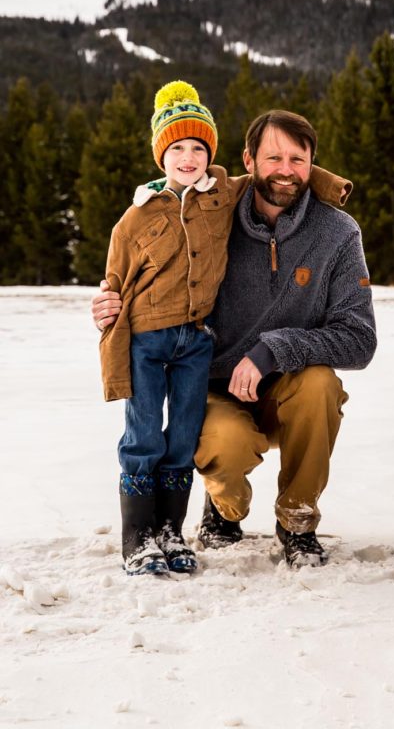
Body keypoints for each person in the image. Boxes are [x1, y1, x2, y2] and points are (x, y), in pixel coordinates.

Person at [94, 107, 376, 569]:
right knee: (222, 442)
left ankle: (297, 523)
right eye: (273, 158)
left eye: (298, 160)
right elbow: (155, 260)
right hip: (211, 387)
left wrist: (274, 350)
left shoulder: (338, 233)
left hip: (286, 388)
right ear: (248, 159)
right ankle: (224, 509)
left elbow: (359, 339)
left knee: (320, 384)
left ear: (313, 164)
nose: (285, 171)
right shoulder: (213, 213)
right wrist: (112, 300)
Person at [100, 80, 230, 576]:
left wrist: (330, 186)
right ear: (162, 155)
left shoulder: (221, 197)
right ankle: (138, 536)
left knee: (183, 436)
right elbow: (113, 285)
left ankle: (171, 530)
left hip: (197, 340)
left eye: (199, 147)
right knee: (144, 435)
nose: (189, 156)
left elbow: (266, 181)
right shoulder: (134, 218)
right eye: (178, 147)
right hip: (147, 340)